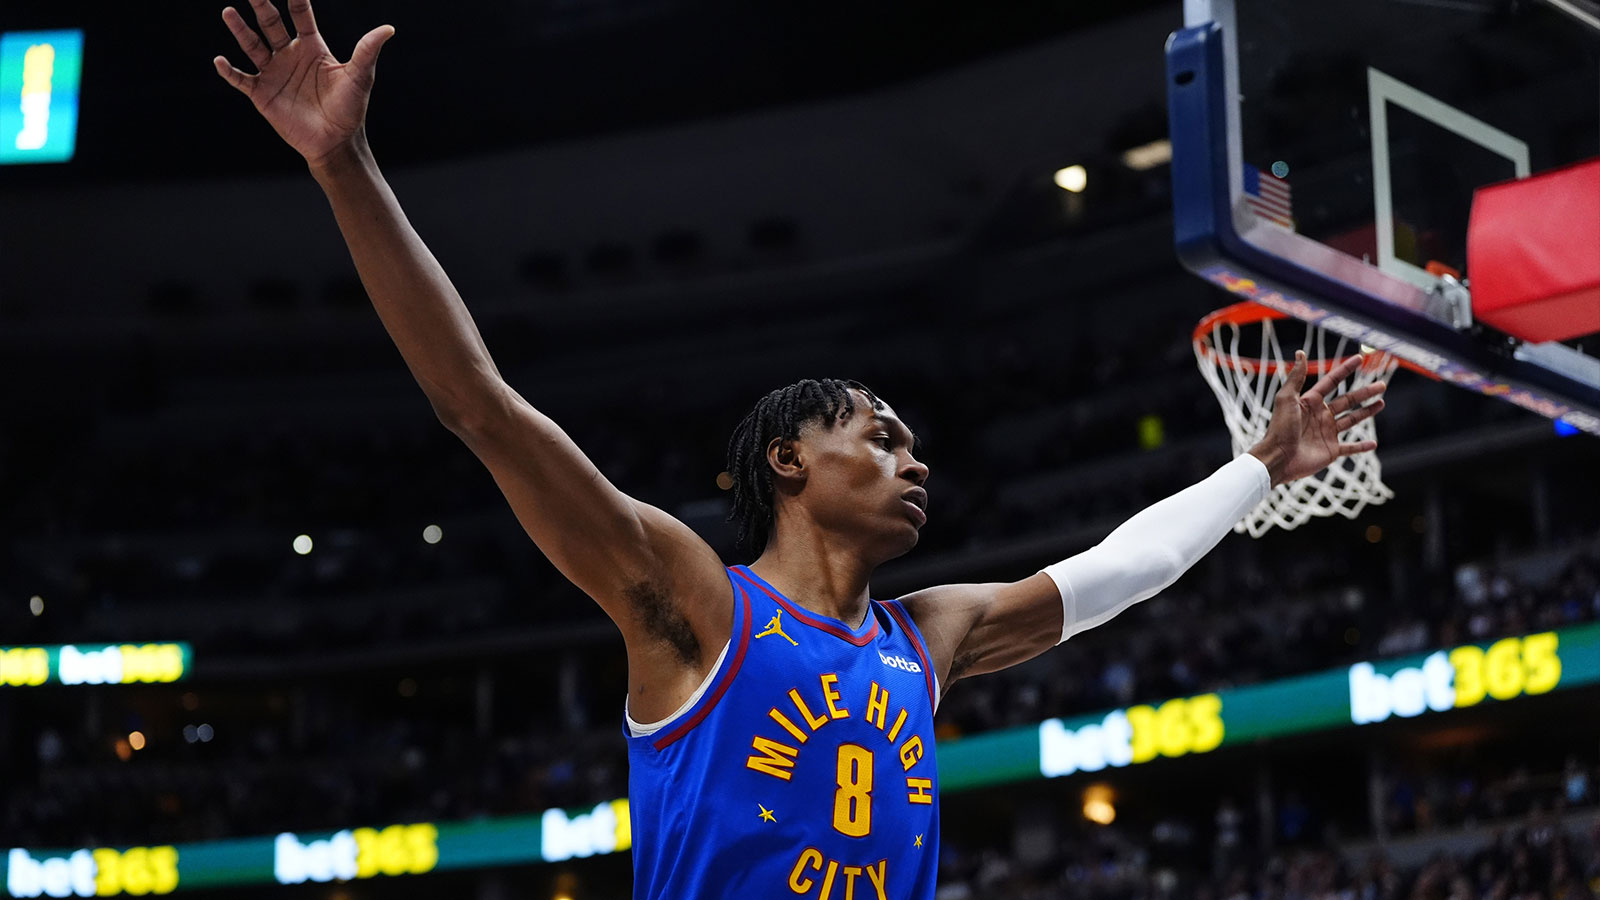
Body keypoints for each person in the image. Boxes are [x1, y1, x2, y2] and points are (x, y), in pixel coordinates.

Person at [212, 3, 1387, 896]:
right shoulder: (686, 601)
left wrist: (1257, 468)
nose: (910, 459)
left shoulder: (925, 638)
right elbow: (478, 403)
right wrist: (343, 165)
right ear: (787, 463)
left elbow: (1123, 571)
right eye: (877, 436)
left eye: (912, 442)